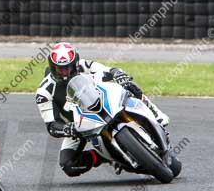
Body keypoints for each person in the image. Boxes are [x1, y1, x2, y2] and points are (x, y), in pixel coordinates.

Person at [35, 42, 170, 178]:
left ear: (74, 62)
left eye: (68, 67)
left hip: (103, 103)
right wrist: (67, 129)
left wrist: (118, 74)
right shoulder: (44, 92)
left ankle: (154, 113)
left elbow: (108, 70)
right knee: (68, 165)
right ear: (53, 67)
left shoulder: (83, 65)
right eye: (60, 68)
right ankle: (104, 157)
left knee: (129, 85)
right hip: (79, 126)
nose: (65, 72)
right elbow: (52, 125)